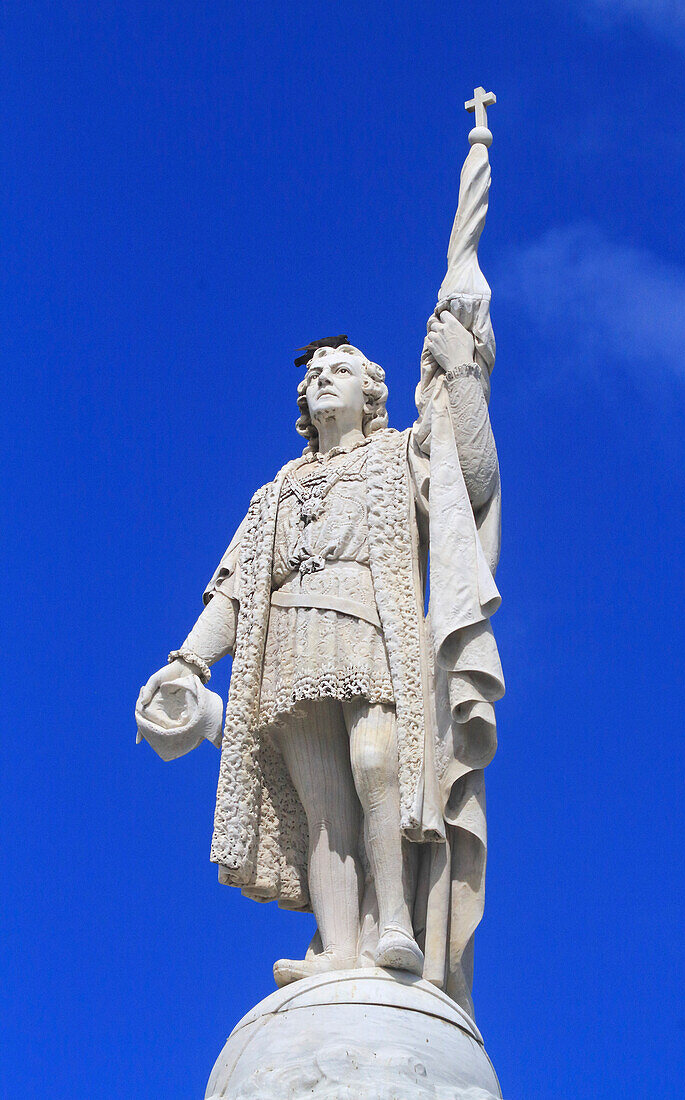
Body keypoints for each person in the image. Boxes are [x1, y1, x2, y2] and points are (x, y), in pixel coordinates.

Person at [139, 310, 504, 1015]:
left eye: (338, 370)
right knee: (321, 804)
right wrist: (189, 662)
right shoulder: (273, 491)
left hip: (371, 629)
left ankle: (394, 923)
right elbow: (237, 587)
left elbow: (474, 478)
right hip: (287, 644)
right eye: (312, 376)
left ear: (371, 393)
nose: (320, 381)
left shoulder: (401, 454)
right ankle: (338, 948)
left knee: (377, 765)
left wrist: (460, 368)